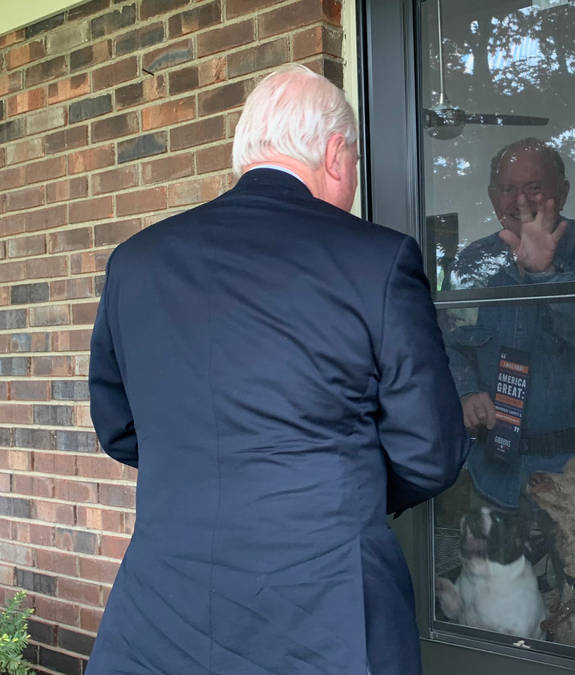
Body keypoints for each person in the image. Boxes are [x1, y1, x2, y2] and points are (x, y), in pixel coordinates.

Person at [87, 64, 469, 675]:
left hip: (160, 616)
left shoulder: (134, 263)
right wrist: (342, 487)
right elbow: (431, 450)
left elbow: (118, 427)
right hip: (327, 617)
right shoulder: (378, 259)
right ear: (337, 154)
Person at [442, 138, 575, 513]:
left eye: (535, 187)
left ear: (561, 192)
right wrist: (465, 391)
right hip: (494, 472)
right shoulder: (472, 263)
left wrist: (546, 275)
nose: (520, 200)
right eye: (508, 188)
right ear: (491, 196)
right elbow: (447, 344)